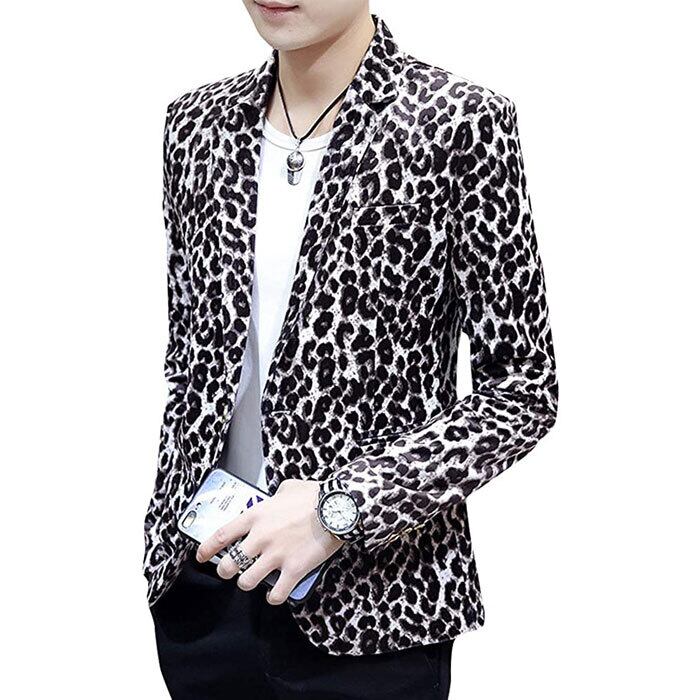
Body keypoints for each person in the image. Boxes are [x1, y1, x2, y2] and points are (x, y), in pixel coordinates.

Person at [143, 2, 559, 698]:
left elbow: (523, 390)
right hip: (204, 587)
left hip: (376, 603)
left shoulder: (457, 122)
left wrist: (341, 509)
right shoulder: (196, 125)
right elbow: (194, 358)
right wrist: (168, 545)